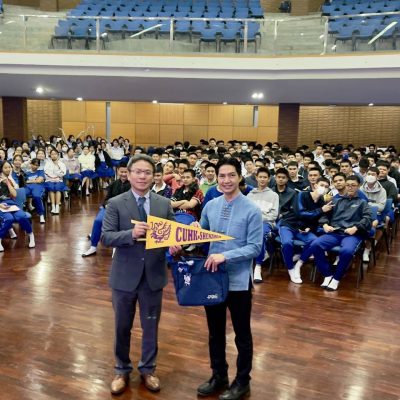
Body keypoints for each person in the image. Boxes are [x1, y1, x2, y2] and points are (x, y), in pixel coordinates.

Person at [172, 158, 263, 400]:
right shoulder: (211, 206)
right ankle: (219, 375)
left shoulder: (252, 210)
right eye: (222, 176)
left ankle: (242, 381)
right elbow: (200, 236)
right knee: (215, 331)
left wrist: (226, 256)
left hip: (238, 280)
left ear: (240, 177)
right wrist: (183, 242)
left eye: (231, 175)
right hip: (212, 278)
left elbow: (255, 247)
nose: (226, 180)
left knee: (242, 333)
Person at [101, 154, 175, 396]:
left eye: (147, 172)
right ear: (129, 174)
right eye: (138, 172)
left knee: (151, 326)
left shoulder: (164, 204)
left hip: (153, 275)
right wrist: (130, 234)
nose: (142, 176)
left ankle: (148, 369)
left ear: (154, 176)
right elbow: (106, 237)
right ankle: (121, 369)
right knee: (122, 326)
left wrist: (176, 244)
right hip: (124, 276)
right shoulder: (115, 203)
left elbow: (172, 235)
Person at [309, 175, 373, 291]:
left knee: (347, 251)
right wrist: (325, 225)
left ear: (358, 186)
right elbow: (325, 215)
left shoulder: (362, 202)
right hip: (335, 232)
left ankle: (336, 278)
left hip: (352, 234)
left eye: (353, 185)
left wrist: (356, 227)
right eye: (348, 185)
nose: (350, 187)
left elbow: (368, 218)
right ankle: (328, 274)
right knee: (315, 245)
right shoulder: (336, 200)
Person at [82, 162, 131, 257]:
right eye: (121, 172)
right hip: (110, 208)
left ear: (129, 172)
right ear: (118, 171)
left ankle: (116, 247)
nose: (123, 174)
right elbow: (107, 198)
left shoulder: (132, 185)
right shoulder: (114, 184)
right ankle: (93, 247)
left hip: (124, 210)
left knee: (118, 223)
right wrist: (107, 205)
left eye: (126, 172)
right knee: (98, 221)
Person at [247, 167, 279, 283]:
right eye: (260, 177)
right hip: (251, 223)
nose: (262, 179)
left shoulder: (274, 195)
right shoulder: (250, 195)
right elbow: (246, 212)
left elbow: (274, 215)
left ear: (269, 179)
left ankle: (258, 266)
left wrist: (258, 219)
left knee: (259, 235)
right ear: (256, 178)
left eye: (265, 177)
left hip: (266, 223)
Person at [0, 160, 35, 251]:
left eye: (9, 167)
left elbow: (14, 194)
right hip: (1, 205)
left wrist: (7, 182)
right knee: (9, 219)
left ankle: (31, 235)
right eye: (5, 168)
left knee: (22, 216)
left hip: (11, 203)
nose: (8, 169)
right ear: (1, 169)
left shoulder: (9, 180)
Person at [44, 149, 67, 215]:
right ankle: (53, 206)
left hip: (58, 180)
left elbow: (63, 173)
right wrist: (53, 176)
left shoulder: (61, 164)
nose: (54, 155)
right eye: (52, 154)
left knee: (58, 189)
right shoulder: (47, 163)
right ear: (50, 155)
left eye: (55, 154)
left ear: (58, 155)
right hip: (49, 180)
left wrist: (57, 167)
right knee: (51, 189)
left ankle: (57, 207)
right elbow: (46, 172)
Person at [24, 158, 46, 224]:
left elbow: (39, 181)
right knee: (21, 194)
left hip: (38, 187)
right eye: (34, 164)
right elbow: (24, 182)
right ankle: (22, 214)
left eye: (37, 165)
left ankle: (41, 215)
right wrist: (35, 180)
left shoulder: (40, 171)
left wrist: (29, 181)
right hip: (28, 187)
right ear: (31, 164)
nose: (35, 166)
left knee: (36, 196)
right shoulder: (26, 173)